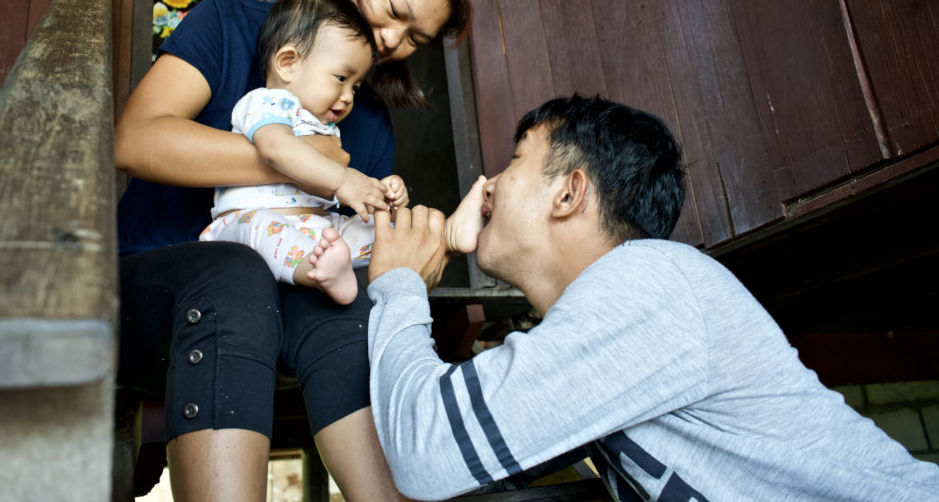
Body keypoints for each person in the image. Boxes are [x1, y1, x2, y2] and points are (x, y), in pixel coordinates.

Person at [365, 94, 939, 501]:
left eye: (515, 160)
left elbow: (427, 447)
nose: (487, 185)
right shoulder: (618, 315)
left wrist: (398, 285)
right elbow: (458, 463)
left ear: (569, 192)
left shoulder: (650, 282)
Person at [114, 0, 471, 501]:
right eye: (394, 12)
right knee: (234, 273)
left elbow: (347, 241)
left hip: (282, 319)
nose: (390, 41)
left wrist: (406, 258)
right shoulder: (229, 24)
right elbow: (137, 139)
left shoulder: (364, 114)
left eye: (415, 39)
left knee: (350, 310)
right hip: (153, 305)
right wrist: (312, 163)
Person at [198, 0, 410, 306]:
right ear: (287, 63)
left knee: (382, 230)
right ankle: (319, 270)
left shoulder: (324, 128)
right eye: (341, 77)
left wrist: (380, 194)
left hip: (315, 227)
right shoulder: (266, 102)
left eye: (355, 85)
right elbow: (276, 149)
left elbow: (333, 192)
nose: (349, 95)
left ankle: (437, 234)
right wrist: (342, 179)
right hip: (245, 223)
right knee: (264, 230)